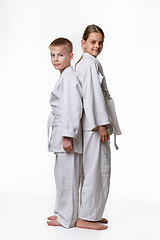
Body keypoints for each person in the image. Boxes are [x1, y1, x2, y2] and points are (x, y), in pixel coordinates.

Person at [75, 24, 121, 230]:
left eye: (100, 42)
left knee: (95, 169)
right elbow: (92, 95)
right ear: (83, 42)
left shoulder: (91, 63)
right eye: (93, 42)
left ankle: (91, 213)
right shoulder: (88, 64)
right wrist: (102, 125)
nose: (97, 46)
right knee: (97, 170)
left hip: (92, 124)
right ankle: (86, 216)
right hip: (94, 126)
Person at [47, 38, 82, 228]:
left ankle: (67, 218)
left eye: (60, 55)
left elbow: (73, 107)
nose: (55, 59)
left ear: (71, 56)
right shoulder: (64, 76)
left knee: (67, 177)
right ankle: (61, 212)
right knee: (61, 176)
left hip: (66, 135)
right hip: (62, 133)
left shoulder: (69, 77)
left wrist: (67, 135)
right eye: (52, 55)